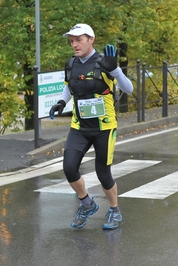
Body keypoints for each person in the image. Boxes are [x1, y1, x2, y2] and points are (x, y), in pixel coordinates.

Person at [49, 23, 133, 230]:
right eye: (72, 41)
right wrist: (61, 102)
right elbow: (69, 87)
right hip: (79, 126)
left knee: (103, 173)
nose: (74, 45)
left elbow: (128, 89)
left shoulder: (105, 62)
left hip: (104, 127)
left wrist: (115, 70)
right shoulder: (71, 63)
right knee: (69, 168)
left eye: (79, 40)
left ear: (91, 40)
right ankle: (87, 203)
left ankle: (114, 209)